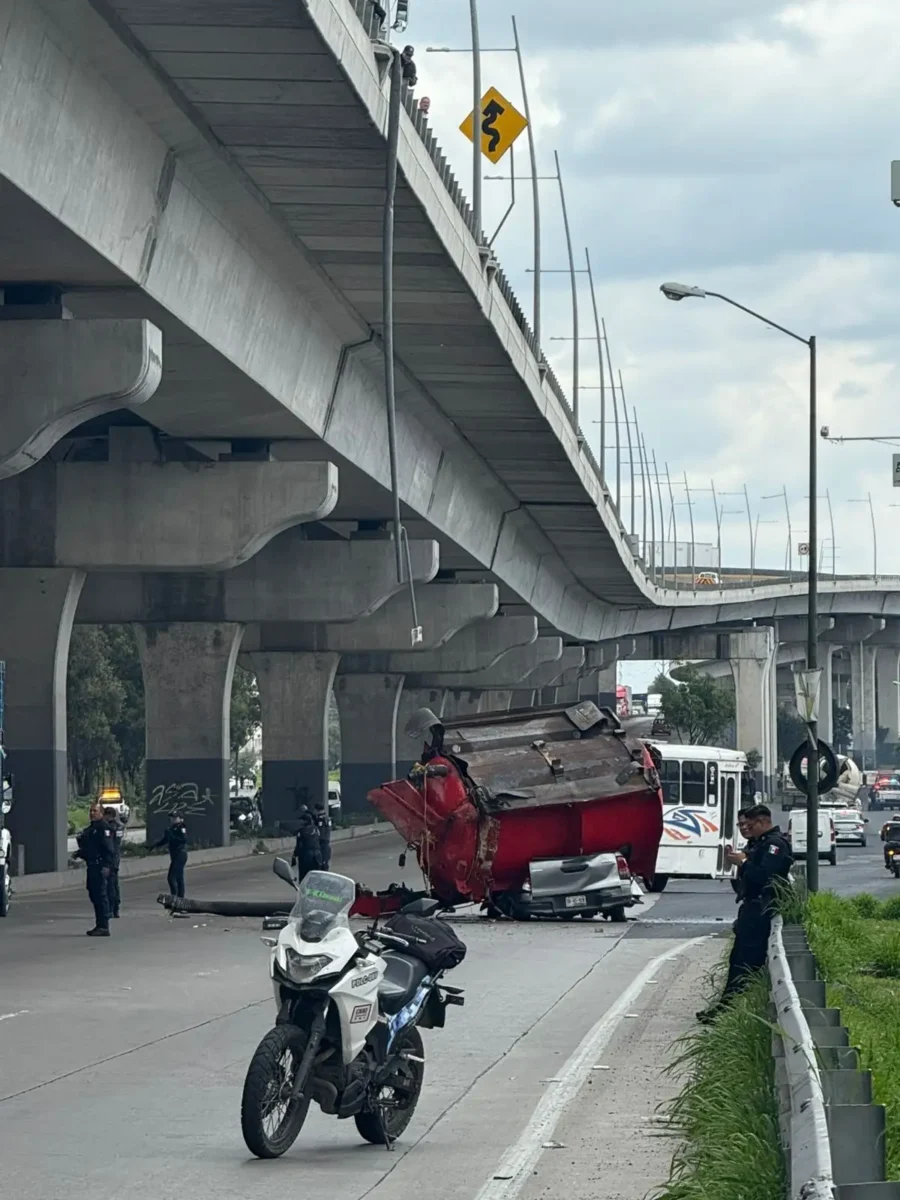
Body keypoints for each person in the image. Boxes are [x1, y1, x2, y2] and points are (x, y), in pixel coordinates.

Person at [697, 803, 793, 1023]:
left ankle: (727, 1012)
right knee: (738, 961)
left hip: (761, 911)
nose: (746, 829)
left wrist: (744, 862)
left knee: (746, 963)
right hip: (751, 909)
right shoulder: (758, 844)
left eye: (749, 825)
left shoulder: (774, 845)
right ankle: (724, 1009)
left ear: (762, 822)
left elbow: (764, 876)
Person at [74, 802, 116, 936]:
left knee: (100, 894)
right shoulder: (92, 829)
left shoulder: (104, 828)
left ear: (101, 814)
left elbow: (108, 849)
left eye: (95, 811)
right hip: (91, 865)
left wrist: (106, 865)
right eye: (91, 811)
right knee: (94, 893)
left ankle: (103, 925)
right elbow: (88, 847)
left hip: (99, 865)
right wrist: (79, 853)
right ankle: (100, 923)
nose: (92, 813)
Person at [153, 813, 189, 899]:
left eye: (175, 818)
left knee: (171, 877)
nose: (173, 819)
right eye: (172, 818)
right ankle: (181, 900)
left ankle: (175, 898)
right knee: (179, 877)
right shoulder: (171, 828)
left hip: (180, 854)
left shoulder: (181, 827)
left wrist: (172, 836)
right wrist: (154, 846)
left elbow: (183, 840)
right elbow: (165, 840)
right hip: (175, 854)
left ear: (180, 819)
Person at [291, 805, 322, 883]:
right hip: (317, 854)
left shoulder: (302, 831)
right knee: (316, 875)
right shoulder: (316, 829)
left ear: (305, 821)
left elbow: (298, 846)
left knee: (304, 875)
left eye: (302, 820)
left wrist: (294, 856)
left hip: (307, 855)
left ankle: (304, 891)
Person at [103, 806, 125, 918]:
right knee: (115, 884)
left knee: (110, 885)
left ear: (108, 815)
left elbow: (108, 843)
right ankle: (116, 908)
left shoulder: (110, 827)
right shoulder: (120, 826)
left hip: (110, 858)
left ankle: (111, 909)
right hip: (116, 857)